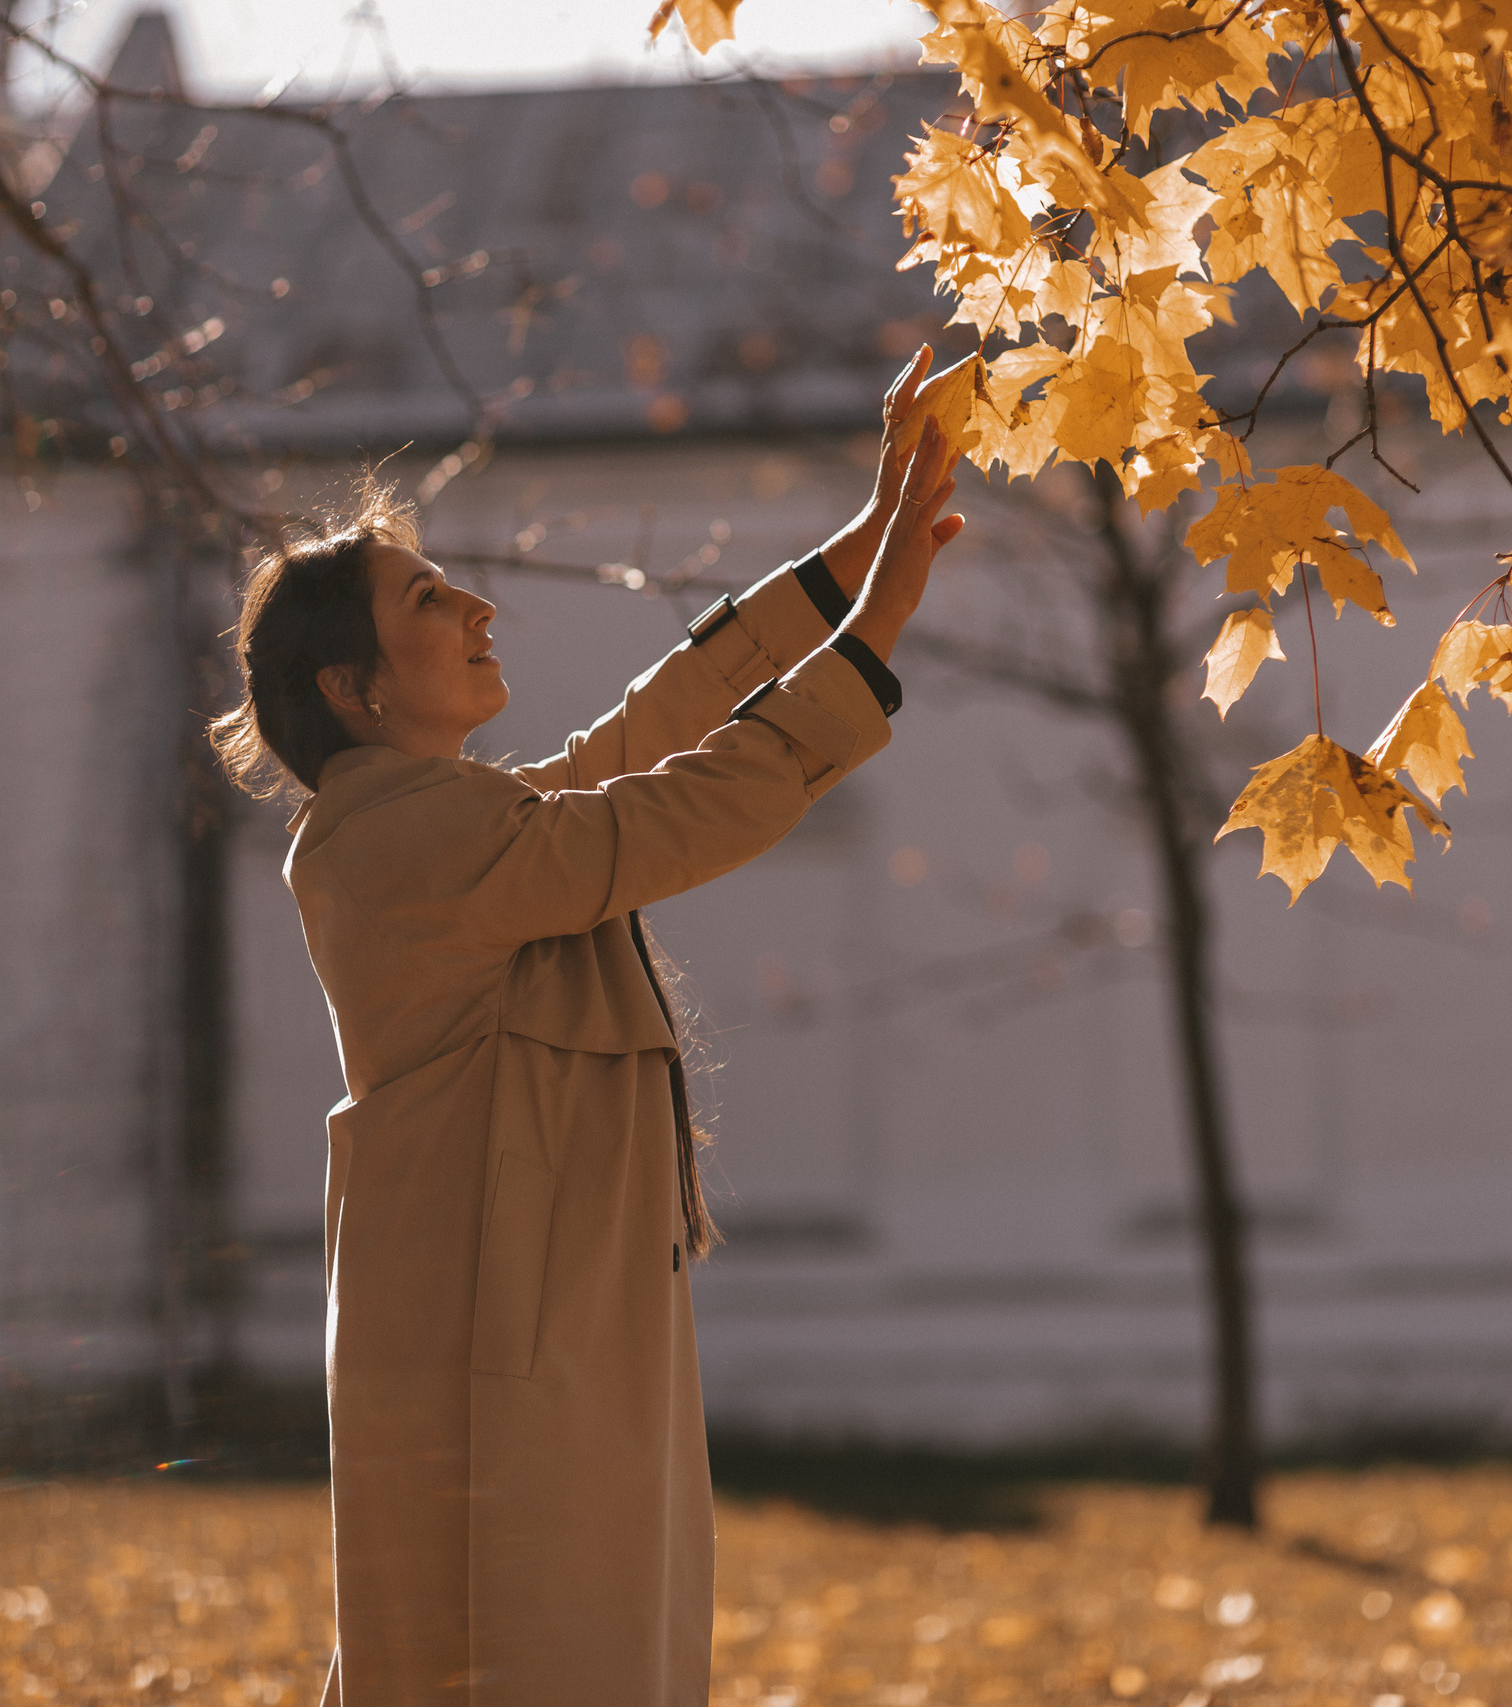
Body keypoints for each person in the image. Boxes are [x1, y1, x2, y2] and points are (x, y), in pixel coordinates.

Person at [208, 348, 967, 1705]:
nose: (479, 607)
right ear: (352, 686)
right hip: (496, 1336)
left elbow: (640, 738)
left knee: (550, 1651)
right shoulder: (402, 844)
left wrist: (851, 560)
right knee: (517, 1657)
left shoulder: (448, 827)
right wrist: (880, 625)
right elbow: (664, 811)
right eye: (431, 600)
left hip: (536, 1314)